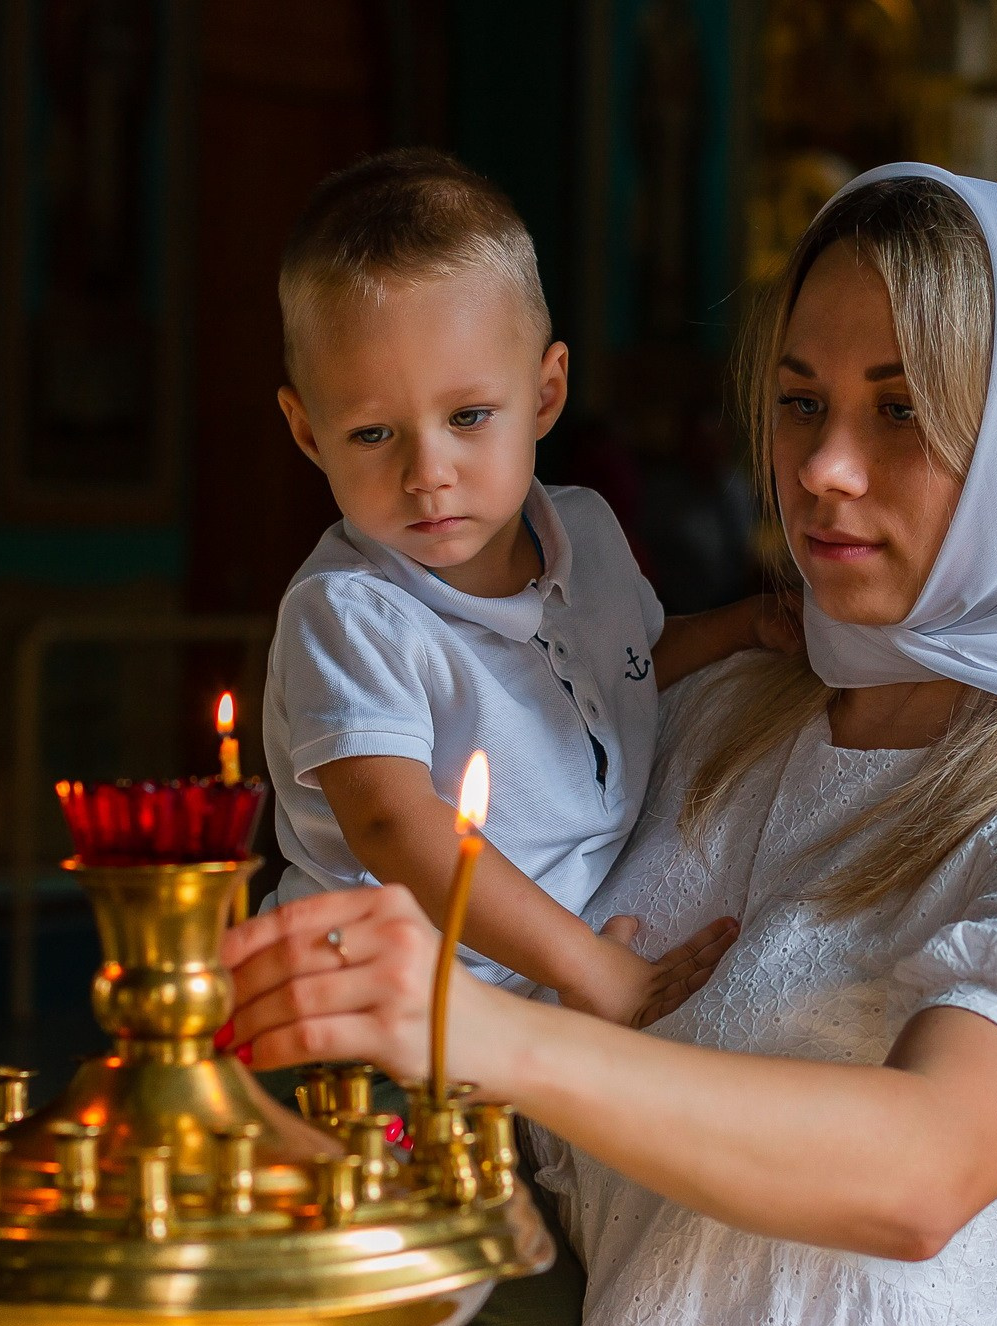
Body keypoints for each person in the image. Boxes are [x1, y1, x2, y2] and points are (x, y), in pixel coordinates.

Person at [223, 162, 997, 1326]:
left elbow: (922, 1172)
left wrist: (489, 1033)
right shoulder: (726, 714)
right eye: (800, 401)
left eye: (901, 407)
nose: (820, 468)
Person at [258, 150, 784, 1029]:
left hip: (528, 998)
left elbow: (632, 665)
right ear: (308, 433)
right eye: (373, 433)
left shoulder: (587, 530)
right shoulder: (349, 613)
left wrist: (747, 624)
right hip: (376, 1016)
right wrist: (591, 969)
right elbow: (394, 827)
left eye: (468, 417)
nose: (429, 473)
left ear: (545, 394)